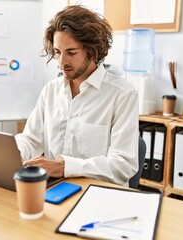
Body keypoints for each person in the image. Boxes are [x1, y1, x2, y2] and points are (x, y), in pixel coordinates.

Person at [15, 5, 139, 185]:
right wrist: (15, 152)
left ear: (92, 50)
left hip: (99, 194)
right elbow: (31, 139)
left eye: (71, 52)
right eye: (57, 52)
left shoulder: (122, 94)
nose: (62, 62)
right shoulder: (51, 90)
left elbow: (123, 165)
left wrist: (64, 167)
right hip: (55, 190)